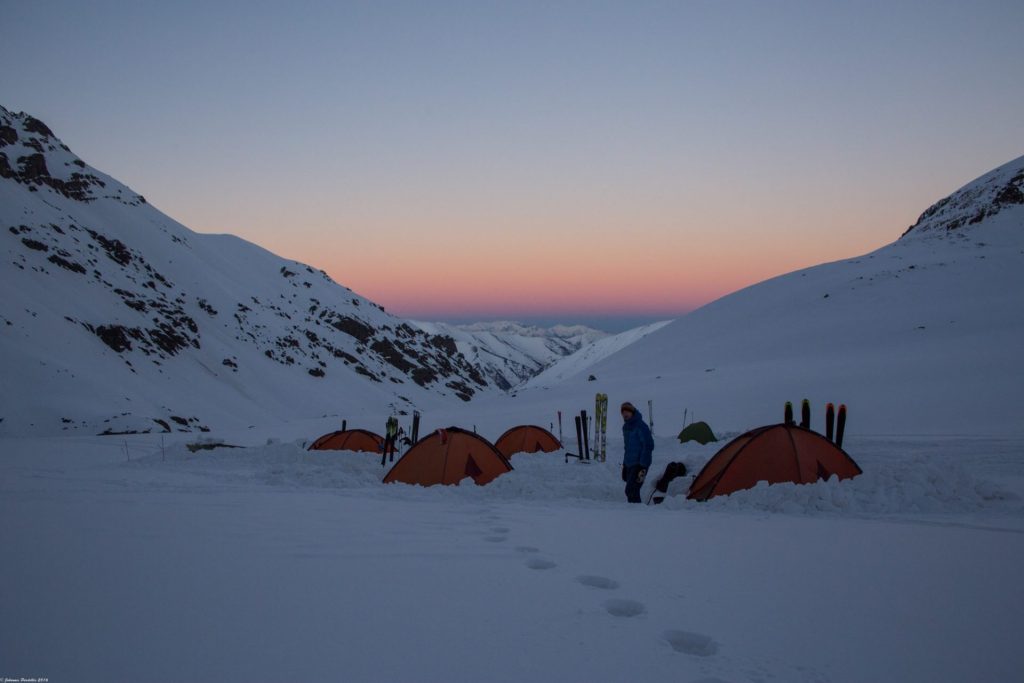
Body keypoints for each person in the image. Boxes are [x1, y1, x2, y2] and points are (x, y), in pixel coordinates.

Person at [620, 401, 653, 503]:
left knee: (631, 490)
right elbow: (627, 448)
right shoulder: (626, 428)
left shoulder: (640, 426)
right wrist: (625, 465)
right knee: (632, 491)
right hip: (630, 464)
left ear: (632, 412)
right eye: (623, 412)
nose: (625, 414)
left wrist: (643, 465)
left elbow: (648, 445)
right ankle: (634, 514)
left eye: (627, 412)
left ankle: (636, 513)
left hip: (639, 464)